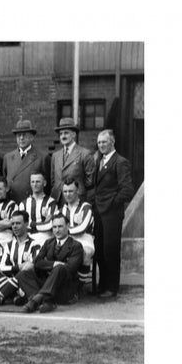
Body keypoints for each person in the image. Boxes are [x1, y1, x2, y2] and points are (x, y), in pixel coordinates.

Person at [92, 129, 134, 298]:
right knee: (100, 250)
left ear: (112, 142)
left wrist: (111, 204)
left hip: (112, 214)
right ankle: (103, 285)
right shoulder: (99, 161)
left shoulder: (120, 162)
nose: (101, 145)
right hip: (99, 212)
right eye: (99, 142)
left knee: (111, 250)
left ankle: (112, 287)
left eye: (104, 142)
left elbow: (127, 190)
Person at [15, 213, 84, 313]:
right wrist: (53, 264)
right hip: (47, 284)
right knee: (23, 274)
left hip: (64, 288)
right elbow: (37, 262)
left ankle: (35, 301)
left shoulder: (76, 245)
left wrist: (53, 266)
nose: (57, 230)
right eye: (54, 227)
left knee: (60, 268)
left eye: (60, 226)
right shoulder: (49, 242)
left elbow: (70, 268)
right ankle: (47, 302)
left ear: (68, 226)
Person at [0, 210, 42, 307]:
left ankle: (2, 296)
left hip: (27, 283)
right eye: (13, 223)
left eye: (18, 223)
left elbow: (33, 267)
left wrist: (18, 269)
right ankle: (15, 296)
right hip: (10, 280)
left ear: (26, 224)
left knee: (28, 266)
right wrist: (18, 267)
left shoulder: (35, 245)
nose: (14, 226)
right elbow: (2, 267)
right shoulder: (9, 246)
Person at [50, 117, 96, 206]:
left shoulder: (85, 154)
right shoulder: (55, 155)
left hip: (77, 200)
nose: (63, 136)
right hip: (58, 200)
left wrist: (78, 190)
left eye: (66, 133)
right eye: (61, 134)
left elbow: (90, 182)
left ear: (74, 134)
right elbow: (53, 180)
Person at [60, 177, 95, 287]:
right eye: (65, 191)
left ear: (77, 191)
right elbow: (56, 227)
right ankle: (64, 284)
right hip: (68, 239)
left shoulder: (86, 207)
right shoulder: (62, 209)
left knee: (87, 252)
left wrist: (65, 230)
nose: (68, 194)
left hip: (85, 239)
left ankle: (79, 285)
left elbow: (82, 228)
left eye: (71, 191)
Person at [3, 119, 48, 203]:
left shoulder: (42, 157)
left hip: (32, 203)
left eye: (25, 135)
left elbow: (47, 185)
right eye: (19, 135)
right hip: (12, 203)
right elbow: (5, 181)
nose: (21, 138)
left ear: (32, 137)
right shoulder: (8, 157)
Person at [19, 171, 58, 246]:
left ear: (45, 183)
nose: (35, 184)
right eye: (32, 182)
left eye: (38, 182)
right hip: (27, 237)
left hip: (45, 237)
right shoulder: (23, 204)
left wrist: (30, 223)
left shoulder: (51, 203)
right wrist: (43, 223)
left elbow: (49, 225)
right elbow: (21, 225)